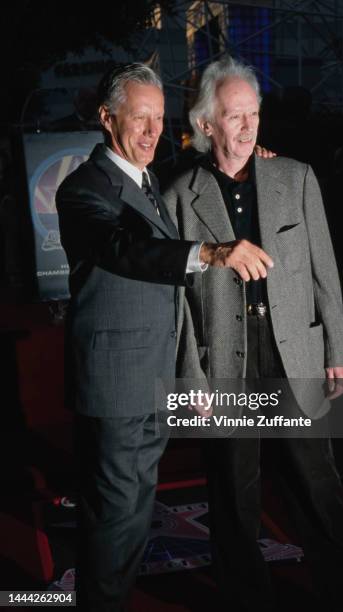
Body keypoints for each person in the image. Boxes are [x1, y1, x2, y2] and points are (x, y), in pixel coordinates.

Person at [55, 62, 273, 612]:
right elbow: (123, 248)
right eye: (140, 118)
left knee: (125, 523)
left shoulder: (149, 179)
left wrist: (254, 162)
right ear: (106, 119)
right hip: (117, 388)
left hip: (152, 381)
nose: (153, 132)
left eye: (159, 118)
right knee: (115, 526)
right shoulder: (84, 189)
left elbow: (208, 168)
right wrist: (210, 252)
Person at [165, 56, 343, 612]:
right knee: (233, 497)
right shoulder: (179, 194)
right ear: (207, 124)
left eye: (255, 114)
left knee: (317, 487)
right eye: (236, 116)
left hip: (295, 353)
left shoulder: (296, 176)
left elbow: (325, 271)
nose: (250, 126)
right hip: (225, 363)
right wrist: (191, 378)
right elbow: (176, 304)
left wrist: (338, 349)